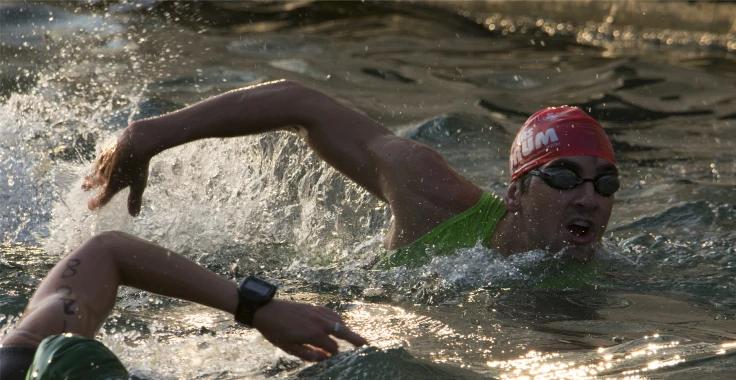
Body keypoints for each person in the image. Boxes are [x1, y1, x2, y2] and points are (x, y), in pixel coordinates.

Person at [83, 80, 619, 267]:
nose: (589, 198)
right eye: (565, 177)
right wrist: (151, 134)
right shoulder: (435, 196)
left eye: (605, 184)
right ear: (518, 192)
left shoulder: (600, 277)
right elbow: (303, 104)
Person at [0, 231, 366, 380]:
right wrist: (254, 307)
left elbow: (108, 250)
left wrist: (258, 308)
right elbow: (106, 249)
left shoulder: (21, 359)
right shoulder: (24, 358)